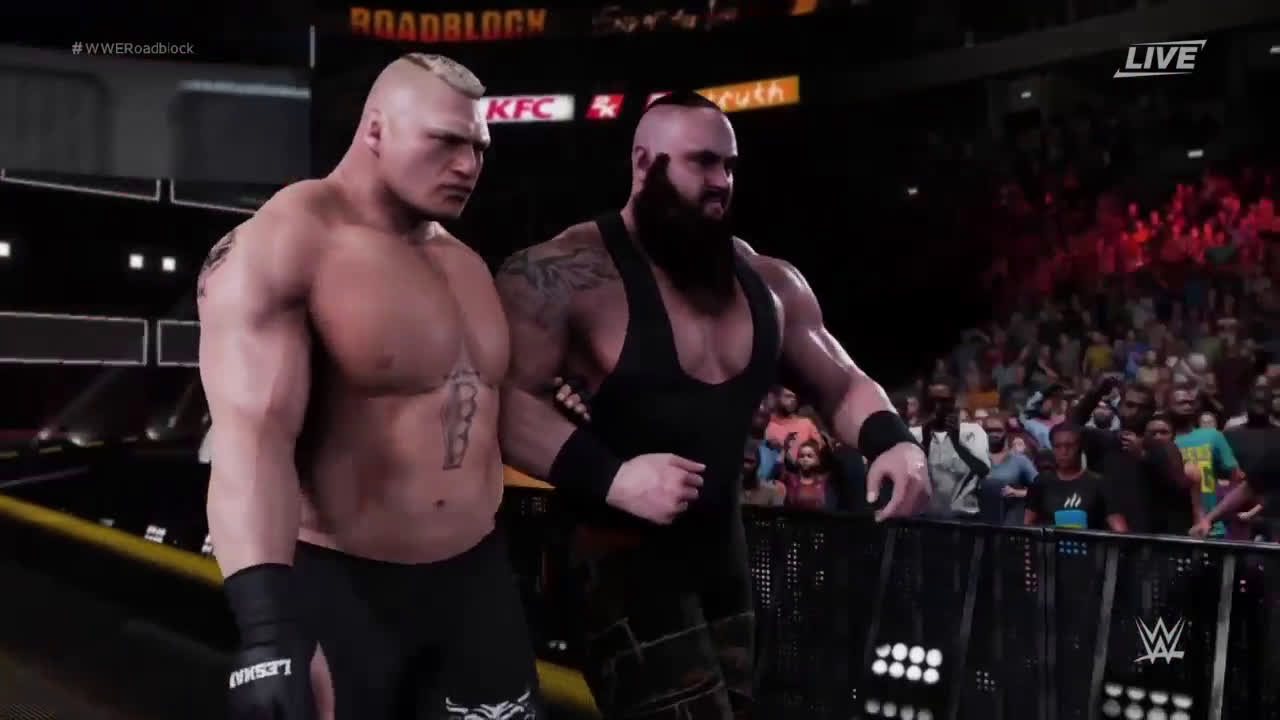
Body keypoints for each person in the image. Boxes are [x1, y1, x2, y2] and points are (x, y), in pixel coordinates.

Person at [494, 91, 928, 720]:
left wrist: (893, 440)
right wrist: (612, 476)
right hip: (613, 554)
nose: (721, 181)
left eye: (729, 165)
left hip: (721, 550)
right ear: (644, 163)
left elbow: (841, 383)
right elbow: (501, 397)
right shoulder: (563, 273)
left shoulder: (769, 282)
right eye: (701, 162)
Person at [198, 54, 540, 720]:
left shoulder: (465, 263)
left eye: (478, 147)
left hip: (476, 578)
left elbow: (482, 408)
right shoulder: (287, 242)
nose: (468, 165)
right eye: (446, 141)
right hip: (344, 588)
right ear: (376, 128)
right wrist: (267, 632)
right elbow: (253, 441)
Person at [1067, 377, 1190, 534]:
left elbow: (1179, 487)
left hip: (1149, 537)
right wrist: (1096, 394)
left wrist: (1143, 455)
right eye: (1130, 405)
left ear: (1151, 411)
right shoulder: (1103, 440)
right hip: (1105, 534)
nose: (1136, 412)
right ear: (1119, 407)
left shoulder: (1162, 447)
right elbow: (1067, 430)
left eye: (1142, 407)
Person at [1168, 383, 1245, 539]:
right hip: (1175, 525)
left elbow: (1236, 475)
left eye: (1190, 402)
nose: (1187, 406)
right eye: (1181, 402)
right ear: (1167, 406)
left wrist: (1224, 509)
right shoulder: (1165, 441)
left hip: (1211, 527)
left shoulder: (1211, 435)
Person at [910, 379, 990, 519]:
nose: (937, 406)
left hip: (964, 518)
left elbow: (983, 471)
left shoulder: (973, 432)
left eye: (943, 401)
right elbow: (910, 476)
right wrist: (926, 444)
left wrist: (958, 444)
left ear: (953, 402)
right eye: (933, 401)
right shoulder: (914, 434)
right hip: (925, 518)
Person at [1025, 424, 1128, 532]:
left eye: (1069, 446)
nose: (1063, 452)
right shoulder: (1041, 482)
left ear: (1081, 447)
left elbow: (1121, 531)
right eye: (1057, 446)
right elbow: (1027, 525)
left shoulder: (1100, 483)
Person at [980, 412, 1037, 525]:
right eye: (989, 431)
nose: (993, 434)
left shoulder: (1019, 461)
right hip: (980, 522)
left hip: (1010, 522)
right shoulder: (976, 459)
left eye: (998, 430)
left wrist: (1017, 493)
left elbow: (1041, 490)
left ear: (1007, 431)